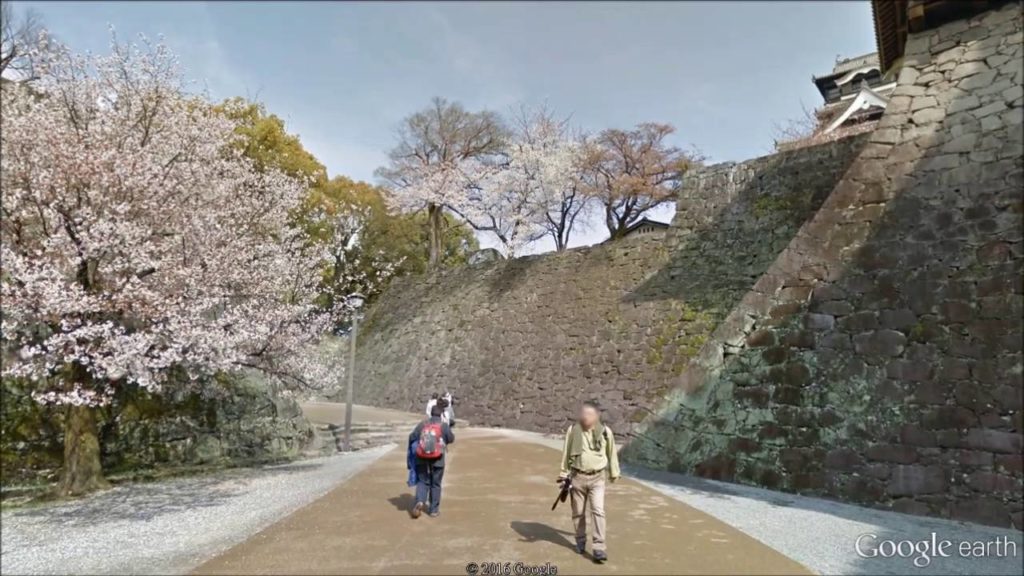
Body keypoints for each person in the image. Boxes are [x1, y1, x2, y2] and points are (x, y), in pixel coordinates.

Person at [557, 400, 620, 562]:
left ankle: (599, 547)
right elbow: (566, 453)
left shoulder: (606, 432)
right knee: (578, 513)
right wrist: (563, 474)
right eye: (584, 414)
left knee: (598, 510)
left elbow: (612, 453)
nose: (586, 417)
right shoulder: (573, 430)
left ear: (597, 416)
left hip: (598, 478)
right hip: (577, 477)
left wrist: (614, 472)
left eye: (590, 414)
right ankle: (580, 541)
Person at [409, 404, 454, 518]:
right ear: (442, 414)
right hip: (438, 458)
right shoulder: (443, 426)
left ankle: (420, 501)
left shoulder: (423, 424)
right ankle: (433, 510)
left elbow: (412, 436)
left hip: (422, 457)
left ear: (430, 413)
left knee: (423, 481)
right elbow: (451, 439)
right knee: (436, 483)